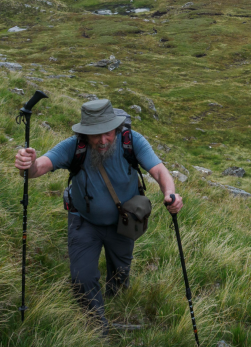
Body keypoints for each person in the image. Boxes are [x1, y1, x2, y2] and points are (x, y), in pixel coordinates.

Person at [15, 98, 182, 331]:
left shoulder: (131, 141)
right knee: (82, 277)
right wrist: (28, 165)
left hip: (124, 222)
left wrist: (170, 194)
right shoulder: (74, 146)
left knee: (121, 272)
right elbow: (39, 167)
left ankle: (116, 300)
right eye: (96, 135)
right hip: (84, 222)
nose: (103, 141)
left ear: (116, 128)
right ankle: (97, 324)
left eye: (108, 133)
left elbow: (159, 170)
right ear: (85, 133)